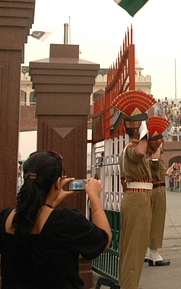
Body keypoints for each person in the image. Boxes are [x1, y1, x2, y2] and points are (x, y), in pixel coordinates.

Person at [0, 151, 111, 288]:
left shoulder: (6, 218)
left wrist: (50, 202)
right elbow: (103, 239)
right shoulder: (66, 222)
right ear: (58, 183)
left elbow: (33, 222)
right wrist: (94, 196)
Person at [112, 90, 158, 289]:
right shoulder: (132, 148)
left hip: (137, 198)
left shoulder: (127, 149)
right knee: (134, 250)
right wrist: (144, 132)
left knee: (133, 249)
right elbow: (140, 151)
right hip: (137, 200)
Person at [146, 117, 171, 267]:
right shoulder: (154, 159)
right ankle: (154, 254)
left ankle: (150, 252)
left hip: (156, 190)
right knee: (156, 222)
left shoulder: (155, 158)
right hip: (157, 191)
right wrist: (156, 151)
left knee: (153, 222)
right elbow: (155, 164)